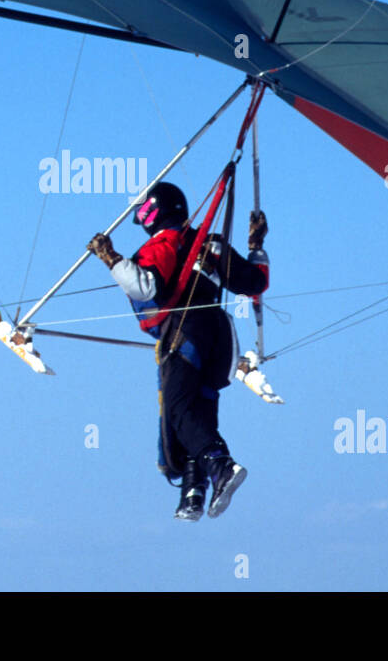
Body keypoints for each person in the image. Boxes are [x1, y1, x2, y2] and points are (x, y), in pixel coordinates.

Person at [87, 182, 269, 520]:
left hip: (185, 334)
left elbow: (144, 287)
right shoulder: (209, 245)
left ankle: (221, 467)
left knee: (178, 411)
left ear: (155, 212)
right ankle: (193, 492)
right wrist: (256, 245)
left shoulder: (164, 242)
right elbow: (256, 282)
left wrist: (109, 257)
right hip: (218, 338)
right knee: (197, 412)